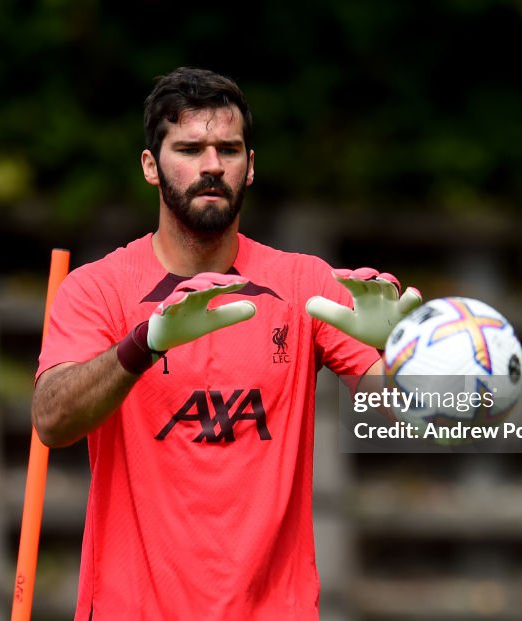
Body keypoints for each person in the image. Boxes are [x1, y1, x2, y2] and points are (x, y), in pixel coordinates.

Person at [32, 67, 420, 620]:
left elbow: (426, 421)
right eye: (190, 148)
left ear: (251, 167)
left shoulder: (305, 286)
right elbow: (51, 419)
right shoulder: (98, 288)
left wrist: (405, 355)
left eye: (228, 149)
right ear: (151, 166)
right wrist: (141, 346)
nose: (212, 165)